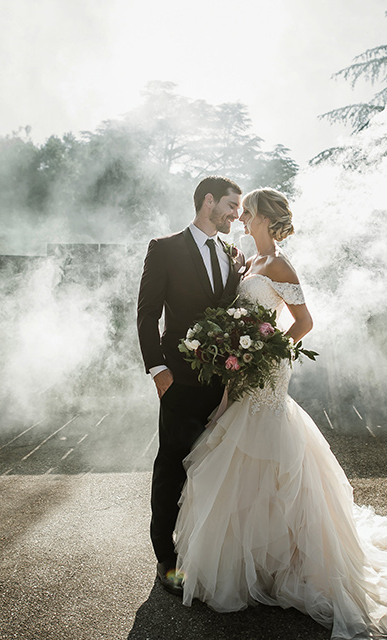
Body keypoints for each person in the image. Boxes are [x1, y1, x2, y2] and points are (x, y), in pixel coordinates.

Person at [174, 188, 387, 639]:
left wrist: (269, 351)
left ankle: (288, 560)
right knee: (239, 455)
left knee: (270, 453)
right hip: (244, 372)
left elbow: (304, 321)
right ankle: (257, 563)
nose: (242, 218)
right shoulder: (249, 263)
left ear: (264, 219)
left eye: (247, 212)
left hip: (266, 374)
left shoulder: (280, 265)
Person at [136, 175, 245, 595]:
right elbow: (147, 316)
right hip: (179, 380)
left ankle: (203, 550)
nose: (237, 214)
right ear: (208, 201)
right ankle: (167, 558)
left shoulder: (233, 253)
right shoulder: (164, 249)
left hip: (225, 384)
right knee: (172, 465)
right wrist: (158, 371)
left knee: (214, 468)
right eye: (232, 206)